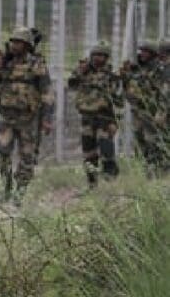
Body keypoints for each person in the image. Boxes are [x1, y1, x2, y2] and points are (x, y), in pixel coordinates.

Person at [0, 26, 54, 206]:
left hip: (29, 120)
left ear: (27, 45)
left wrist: (47, 118)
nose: (14, 45)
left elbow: (47, 92)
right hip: (7, 119)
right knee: (1, 154)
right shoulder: (5, 63)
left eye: (18, 42)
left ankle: (20, 192)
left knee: (27, 157)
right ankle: (6, 188)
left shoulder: (36, 65)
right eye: (13, 42)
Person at [67, 41, 122, 188]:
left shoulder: (111, 75)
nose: (98, 58)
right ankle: (92, 183)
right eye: (95, 55)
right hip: (87, 118)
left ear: (106, 58)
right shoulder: (83, 71)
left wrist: (116, 122)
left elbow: (118, 100)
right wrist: (80, 70)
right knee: (89, 153)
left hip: (105, 118)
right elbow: (71, 84)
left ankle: (111, 181)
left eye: (101, 55)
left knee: (106, 149)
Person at [121, 40, 167, 177]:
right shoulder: (138, 70)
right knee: (140, 142)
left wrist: (161, 111)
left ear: (153, 53)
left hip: (151, 113)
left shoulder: (159, 69)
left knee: (153, 142)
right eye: (141, 51)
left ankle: (157, 170)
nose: (142, 54)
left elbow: (162, 93)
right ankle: (147, 169)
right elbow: (128, 90)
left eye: (145, 51)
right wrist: (125, 76)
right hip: (138, 112)